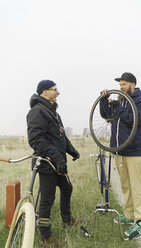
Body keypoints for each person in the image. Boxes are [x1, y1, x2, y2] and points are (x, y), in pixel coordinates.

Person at [27, 80, 81, 247]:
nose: (58, 92)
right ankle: (46, 237)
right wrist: (56, 157)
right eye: (55, 90)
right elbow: (36, 140)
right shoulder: (37, 111)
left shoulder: (53, 112)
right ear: (44, 92)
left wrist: (71, 150)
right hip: (46, 164)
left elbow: (61, 136)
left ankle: (67, 220)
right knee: (47, 199)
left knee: (67, 188)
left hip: (59, 163)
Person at [100, 72, 141, 239]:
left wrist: (118, 107)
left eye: (123, 84)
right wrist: (104, 101)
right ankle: (128, 215)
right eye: (120, 85)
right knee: (126, 186)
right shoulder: (121, 102)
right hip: (120, 151)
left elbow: (135, 120)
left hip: (135, 151)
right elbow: (107, 117)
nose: (120, 87)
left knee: (137, 186)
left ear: (132, 85)